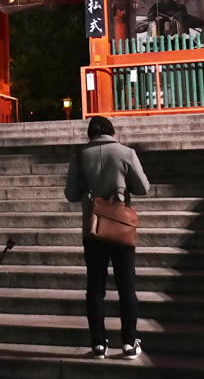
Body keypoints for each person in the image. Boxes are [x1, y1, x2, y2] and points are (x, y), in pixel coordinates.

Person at [65, 115, 150, 360]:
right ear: (111, 132)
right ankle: (129, 342)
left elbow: (71, 193)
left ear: (90, 134)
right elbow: (143, 188)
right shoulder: (126, 153)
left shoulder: (80, 156)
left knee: (95, 288)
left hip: (93, 228)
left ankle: (98, 344)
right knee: (126, 286)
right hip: (120, 227)